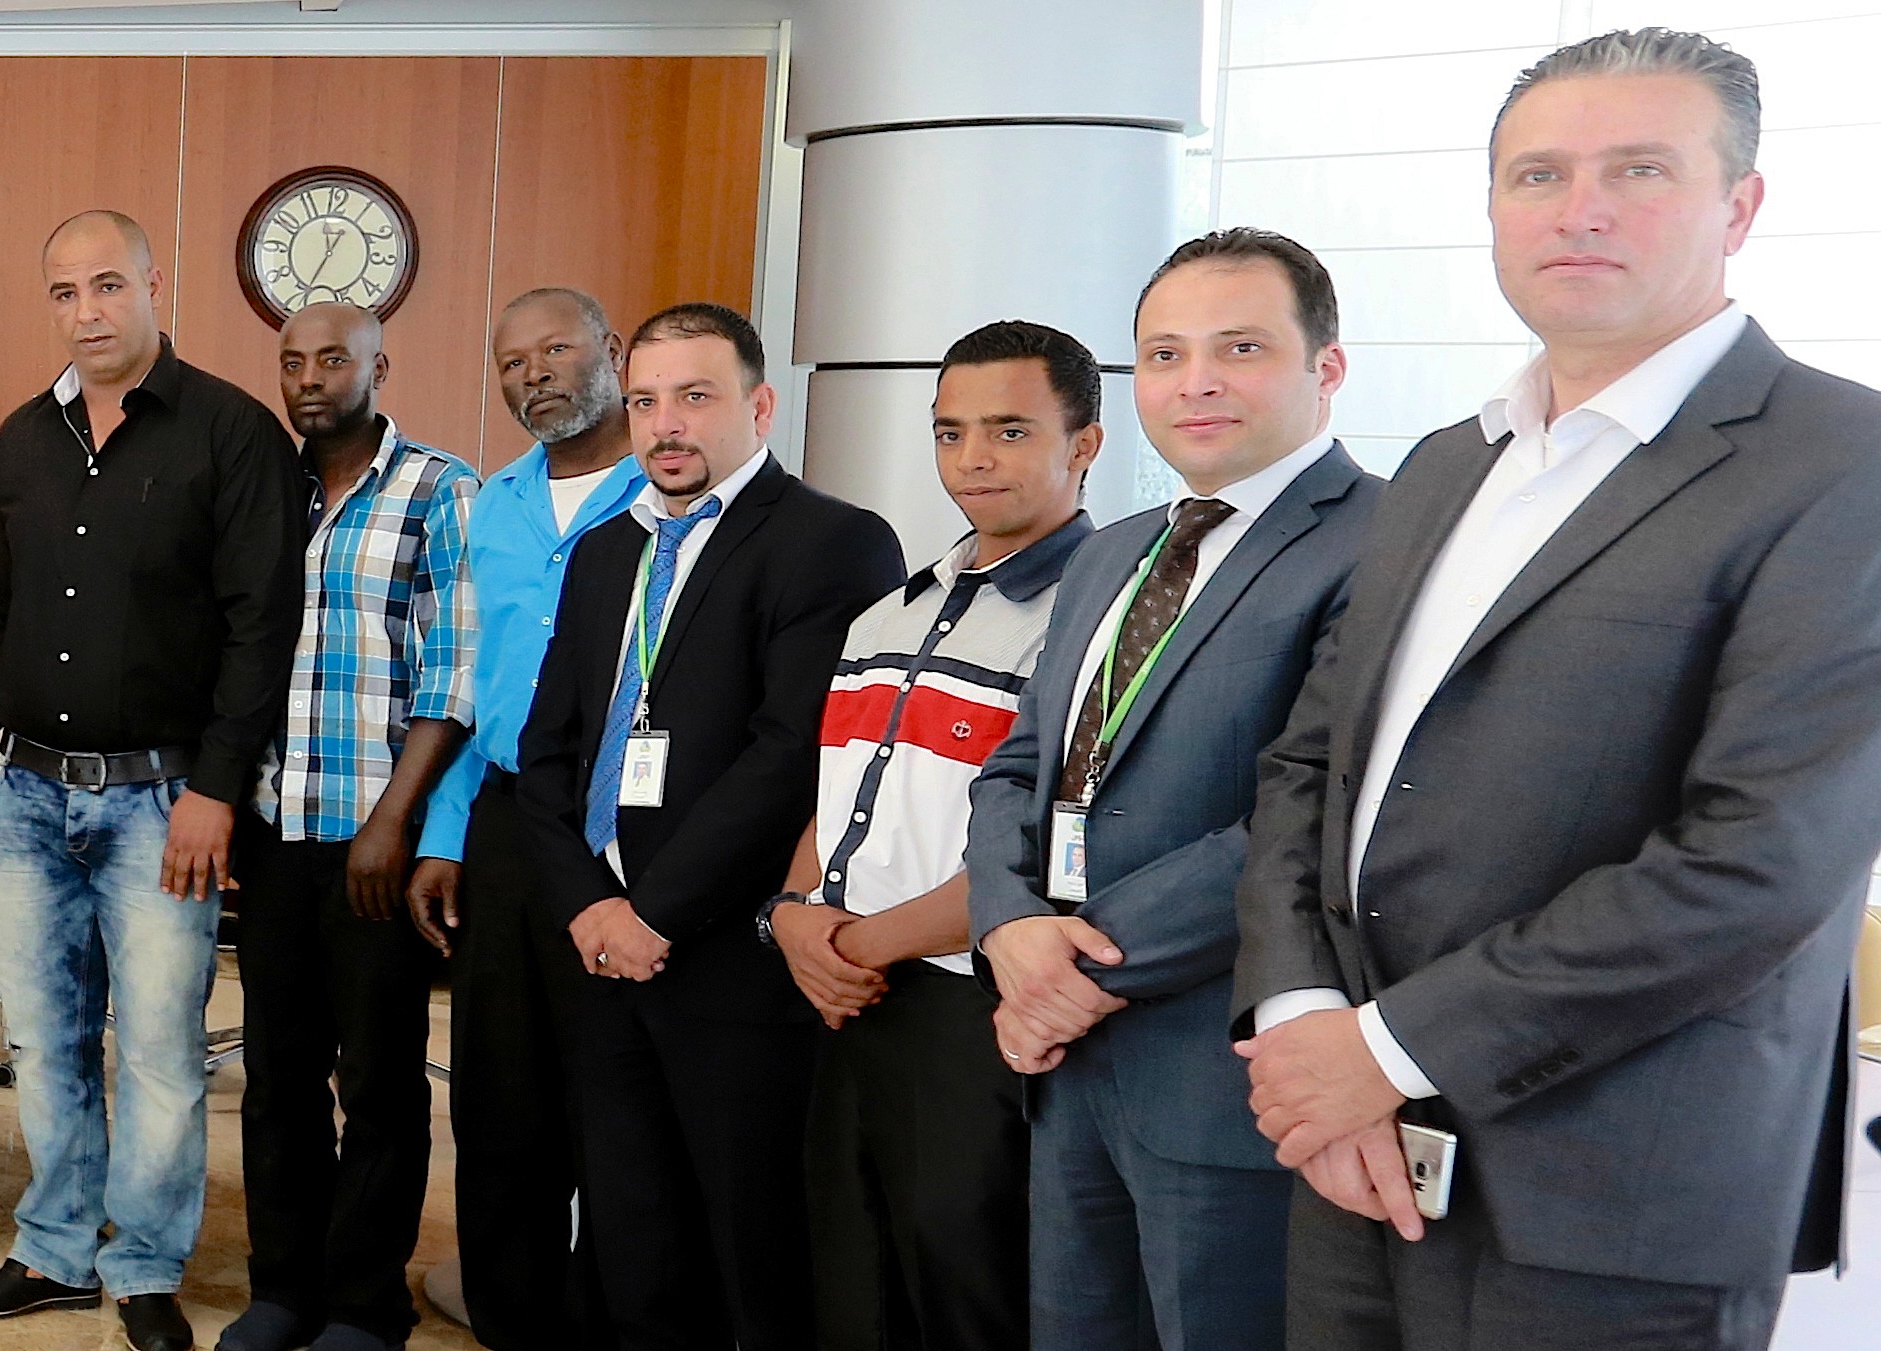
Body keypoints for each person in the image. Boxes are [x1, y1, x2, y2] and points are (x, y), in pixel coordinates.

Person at [1236, 29, 1878, 1348]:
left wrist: (1385, 1050)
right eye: (1536, 175)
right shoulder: (1442, 463)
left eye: (1637, 169)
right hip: (1354, 1161)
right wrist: (1306, 1021)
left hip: (1614, 1195)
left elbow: (1759, 861)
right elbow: (1310, 764)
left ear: (1738, 206)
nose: (1577, 209)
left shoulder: (1842, 462)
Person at [967, 231, 1373, 1351]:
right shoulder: (1114, 551)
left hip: (1221, 1069)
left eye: (1239, 348)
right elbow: (1020, 764)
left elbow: (1317, 813)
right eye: (1162, 354)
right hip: (1065, 1061)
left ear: (1327, 368)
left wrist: (1075, 968)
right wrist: (1005, 925)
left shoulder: (1381, 543)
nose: (1194, 381)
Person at [0, 210, 295, 1351]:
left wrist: (216, 789)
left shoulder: (231, 433)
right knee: (43, 1041)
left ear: (152, 284)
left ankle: (141, 1266)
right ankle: (52, 1249)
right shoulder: (24, 438)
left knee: (159, 1054)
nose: (85, 311)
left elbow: (259, 627)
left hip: (162, 803)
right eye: (64, 292)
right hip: (27, 794)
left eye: (106, 285)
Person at [510, 301, 899, 1351]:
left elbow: (790, 756)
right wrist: (589, 906)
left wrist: (654, 913)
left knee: (753, 1246)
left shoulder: (833, 542)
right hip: (602, 952)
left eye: (695, 397)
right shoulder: (607, 553)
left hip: (729, 962)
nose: (666, 424)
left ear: (760, 407)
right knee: (631, 1235)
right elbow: (547, 752)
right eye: (645, 402)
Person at [783, 320, 1100, 1351]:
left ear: (1084, 444)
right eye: (949, 431)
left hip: (971, 1004)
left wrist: (850, 945)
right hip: (847, 992)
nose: (973, 458)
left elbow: (1043, 854)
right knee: (849, 1282)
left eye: (1009, 430)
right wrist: (792, 915)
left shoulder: (1093, 618)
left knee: (963, 1289)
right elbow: (838, 796)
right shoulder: (885, 615)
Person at [227, 300, 478, 1351]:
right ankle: (282, 1288)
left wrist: (393, 822)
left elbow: (454, 673)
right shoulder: (260, 489)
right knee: (277, 1077)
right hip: (272, 827)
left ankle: (364, 1304)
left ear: (380, 367)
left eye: (333, 359)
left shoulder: (439, 487)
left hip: (374, 838)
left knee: (377, 1082)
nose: (309, 379)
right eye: (293, 361)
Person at [416, 287, 644, 1350]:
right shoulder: (493, 503)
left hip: (625, 830)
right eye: (511, 362)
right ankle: (511, 1312)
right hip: (508, 817)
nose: (533, 374)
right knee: (500, 1094)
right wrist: (445, 832)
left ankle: (612, 1309)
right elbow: (473, 683)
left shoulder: (668, 487)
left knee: (616, 1091)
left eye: (555, 349)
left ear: (612, 350)